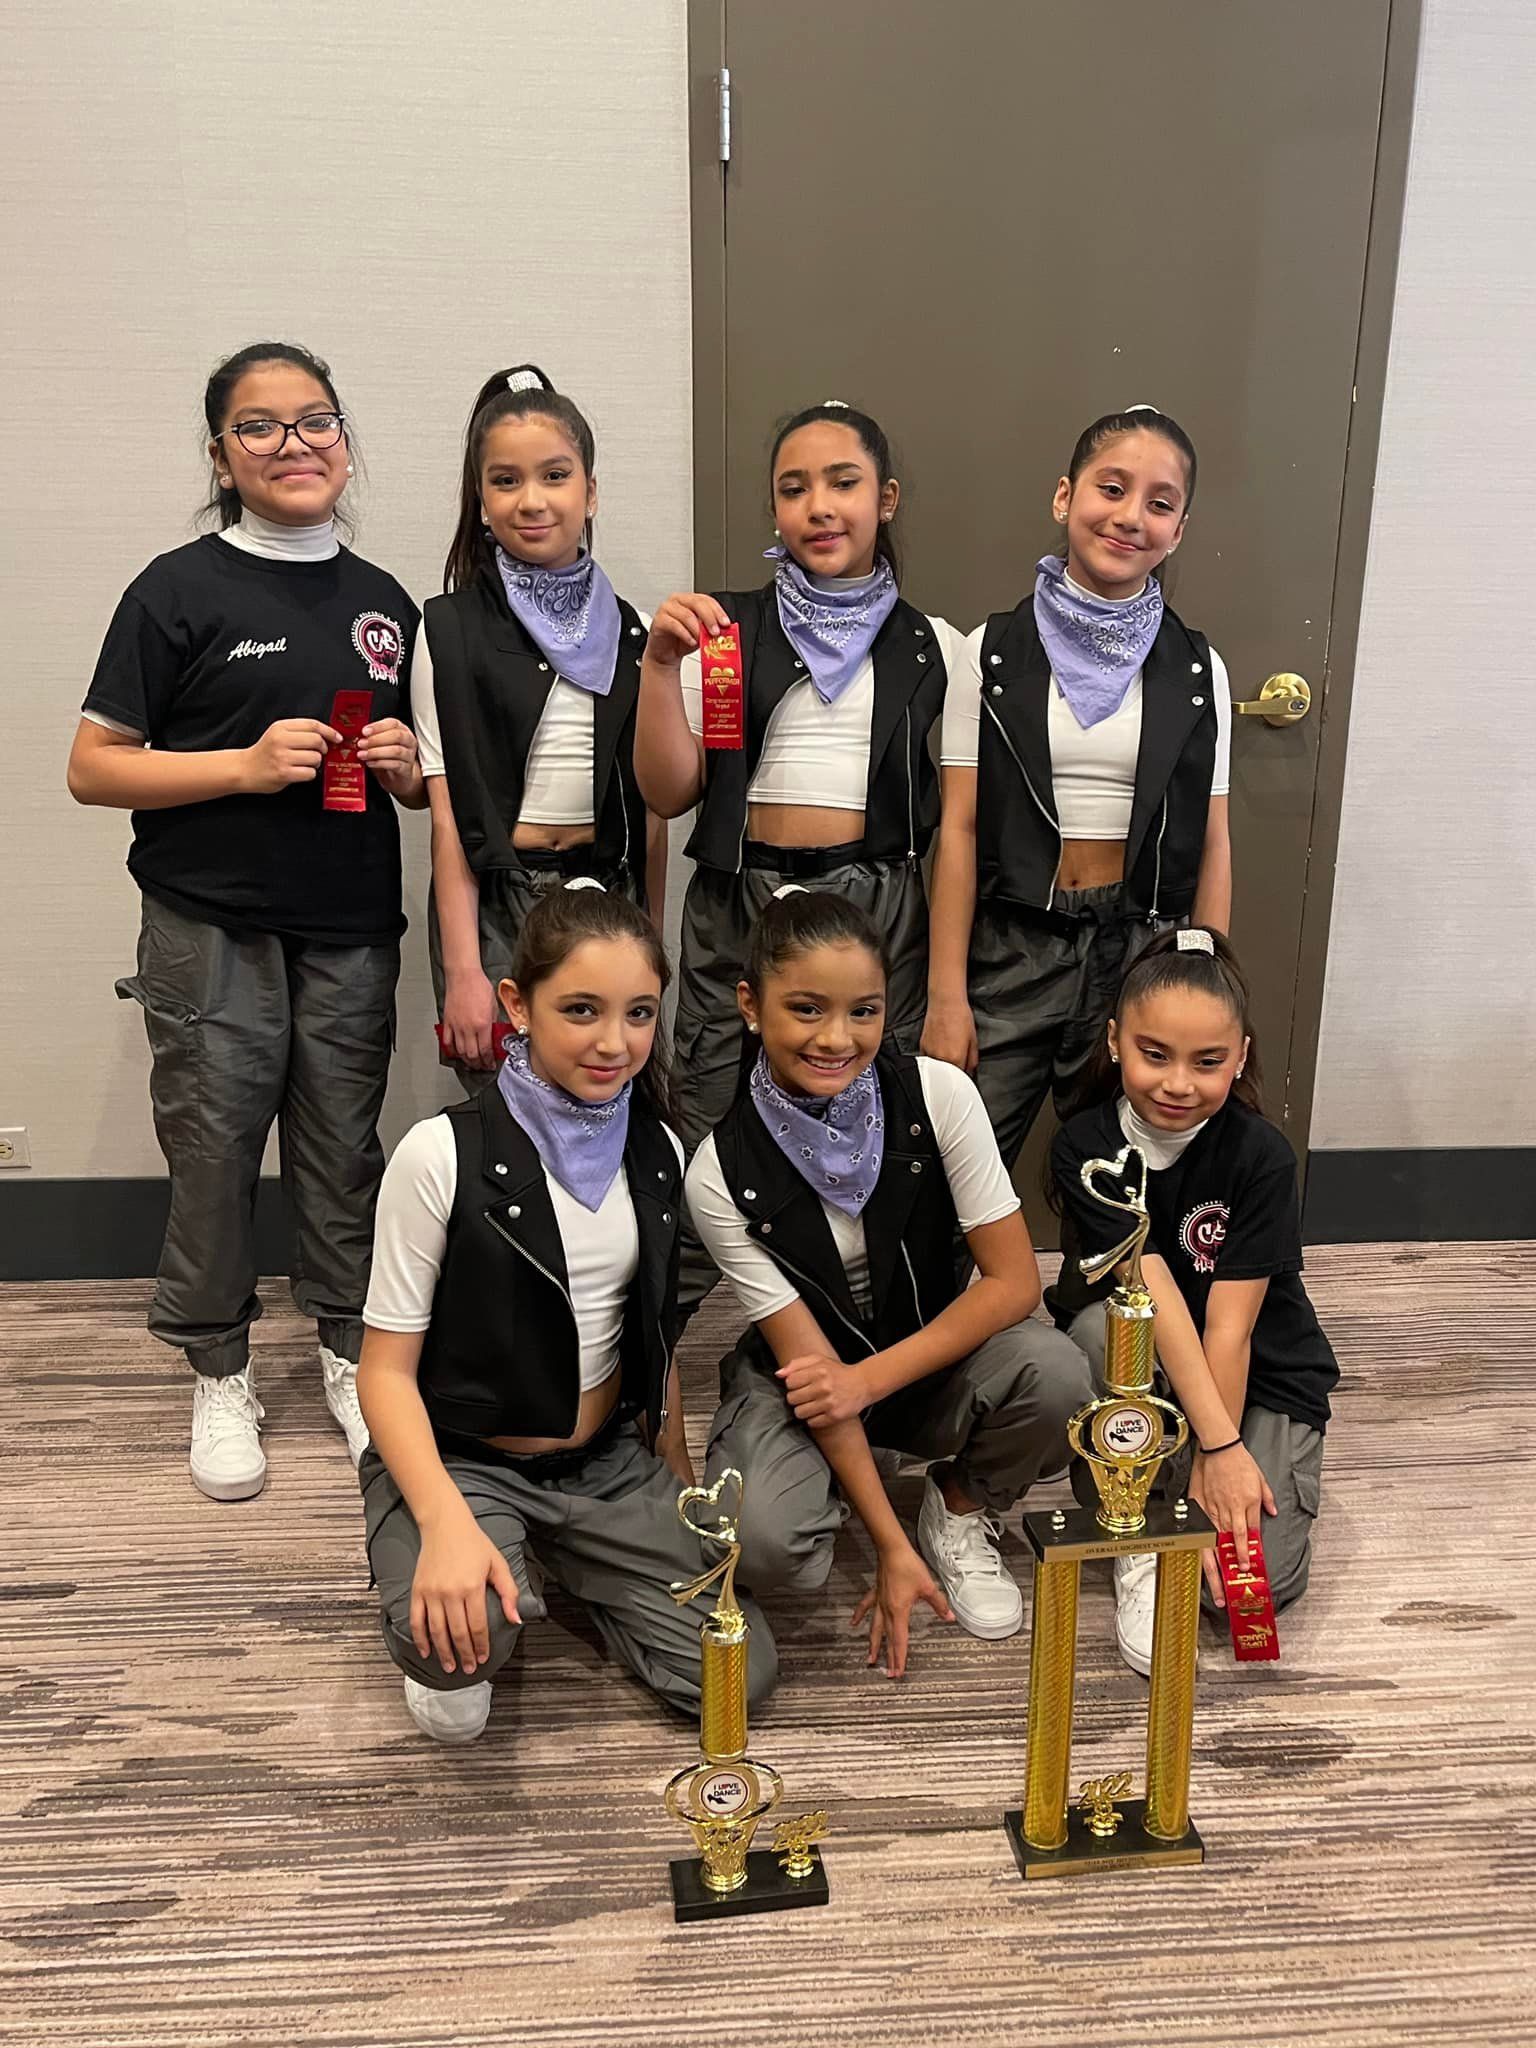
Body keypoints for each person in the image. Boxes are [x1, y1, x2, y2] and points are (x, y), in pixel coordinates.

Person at [67, 340, 422, 1502]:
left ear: (344, 442)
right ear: (222, 457)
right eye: (259, 426)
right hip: (209, 922)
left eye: (314, 420)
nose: (292, 444)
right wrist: (242, 765)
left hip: (350, 922)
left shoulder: (386, 602)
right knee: (214, 1151)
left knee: (343, 1150)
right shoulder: (174, 589)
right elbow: (93, 766)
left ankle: (347, 1355)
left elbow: (419, 784)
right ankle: (220, 1370)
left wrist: (406, 770)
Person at [355, 885, 776, 1743]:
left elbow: (652, 1340)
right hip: (467, 1459)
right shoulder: (439, 1153)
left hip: (603, 1463)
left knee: (739, 1677)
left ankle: (569, 1559)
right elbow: (384, 1374)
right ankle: (482, 1546)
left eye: (639, 1013)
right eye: (581, 1010)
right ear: (518, 1005)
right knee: (459, 1653)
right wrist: (441, 1519)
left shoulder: (657, 1149)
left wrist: (674, 1476)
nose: (614, 1043)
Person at [686, 889, 1092, 1677]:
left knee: (1058, 1373)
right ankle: (842, 1483)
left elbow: (1014, 1284)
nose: (837, 1039)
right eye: (806, 1009)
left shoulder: (940, 1095)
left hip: (918, 1356)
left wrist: (870, 1380)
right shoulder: (718, 1171)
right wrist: (888, 1544)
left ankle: (958, 1505)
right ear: (750, 1005)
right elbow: (815, 1376)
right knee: (760, 1540)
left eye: (863, 1011)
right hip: (804, 1383)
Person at [634, 399, 961, 1307]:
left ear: (885, 498)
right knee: (707, 1109)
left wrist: (947, 989)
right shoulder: (722, 630)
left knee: (872, 1108)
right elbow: (667, 792)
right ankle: (656, 1340)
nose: (819, 506)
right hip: (740, 897)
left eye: (843, 483)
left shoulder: (937, 647)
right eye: (793, 488)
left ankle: (866, 1325)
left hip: (875, 903)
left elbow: (961, 822)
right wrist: (659, 668)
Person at [923, 404, 1232, 1173]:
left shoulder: (1199, 669)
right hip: (1014, 944)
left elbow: (1213, 839)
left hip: (1140, 948)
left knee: (1131, 1171)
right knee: (957, 1164)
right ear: (1066, 497)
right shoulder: (990, 651)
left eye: (1159, 504)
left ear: (1179, 530)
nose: (1130, 517)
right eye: (1112, 489)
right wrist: (946, 994)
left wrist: (1207, 983)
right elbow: (959, 829)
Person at [1050, 927, 1338, 1676]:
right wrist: (1214, 1452)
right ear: (1114, 1041)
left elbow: (1229, 1329)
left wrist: (1223, 1454)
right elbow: (1157, 1295)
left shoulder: (1261, 1155)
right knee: (1104, 1333)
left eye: (1208, 1062)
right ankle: (1136, 1523)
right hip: (1144, 1349)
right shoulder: (1084, 1147)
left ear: (1240, 1057)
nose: (1178, 1084)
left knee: (1250, 1592)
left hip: (1258, 1368)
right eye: (1155, 1054)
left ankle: (1204, 1479)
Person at [416, 364, 667, 1088]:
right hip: (500, 909)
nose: (532, 500)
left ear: (591, 492)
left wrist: (652, 945)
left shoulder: (637, 632)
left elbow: (652, 812)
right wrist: (465, 971)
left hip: (608, 897)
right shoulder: (447, 629)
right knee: (506, 1109)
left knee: (608, 1104)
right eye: (506, 481)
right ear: (481, 500)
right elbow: (448, 813)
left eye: (555, 476)